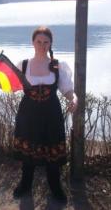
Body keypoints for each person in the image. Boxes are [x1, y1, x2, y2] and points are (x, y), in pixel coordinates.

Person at [13, 26, 78, 202]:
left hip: (52, 115)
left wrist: (74, 99)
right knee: (28, 152)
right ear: (33, 43)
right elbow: (12, 87)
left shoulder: (58, 66)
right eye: (38, 42)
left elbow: (67, 90)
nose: (42, 45)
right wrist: (1, 80)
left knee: (52, 152)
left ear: (50, 44)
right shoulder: (23, 65)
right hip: (28, 114)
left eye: (46, 42)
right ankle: (25, 184)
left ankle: (55, 187)